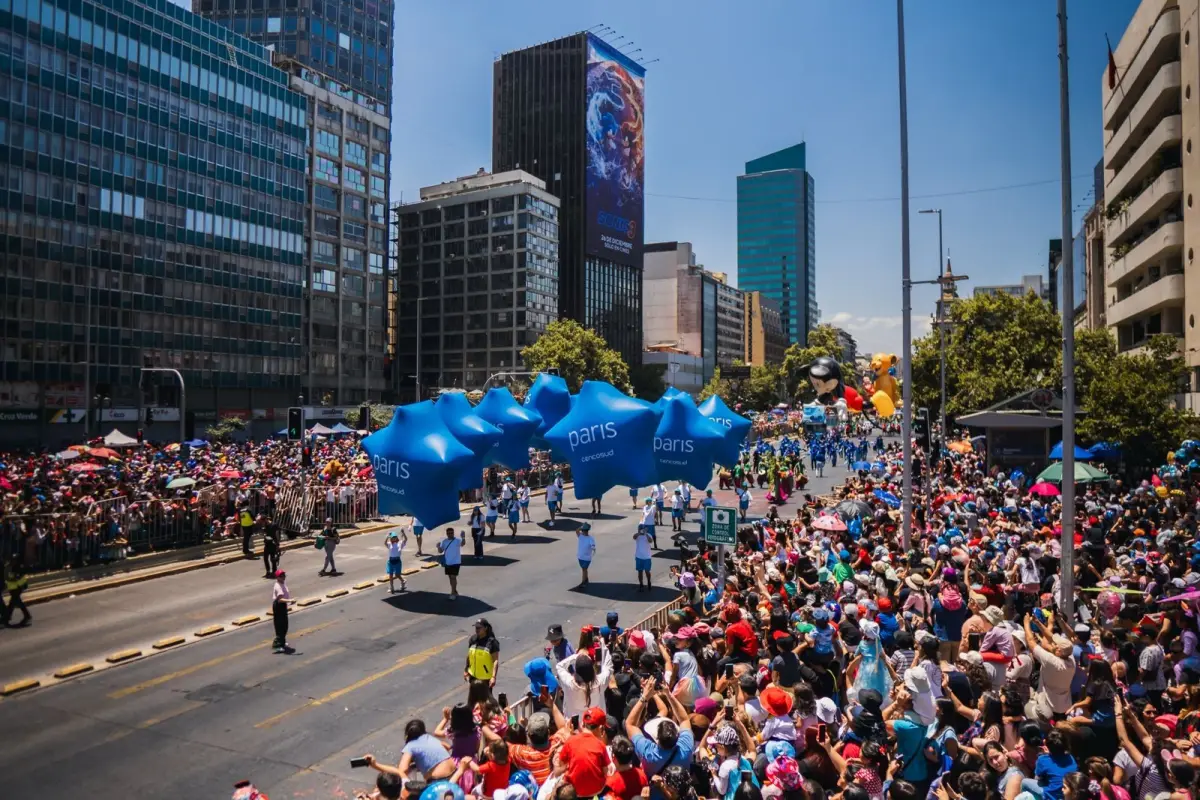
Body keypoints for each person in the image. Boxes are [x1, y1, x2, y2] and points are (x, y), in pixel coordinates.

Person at [557, 707, 612, 799]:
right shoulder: (600, 745)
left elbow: (561, 764)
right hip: (596, 790)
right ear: (601, 728)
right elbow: (606, 771)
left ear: (582, 724)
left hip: (574, 792)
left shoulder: (570, 741)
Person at [466, 617, 500, 692]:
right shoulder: (473, 639)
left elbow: (495, 661)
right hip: (473, 676)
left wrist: (493, 677)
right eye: (476, 627)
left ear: (485, 628)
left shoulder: (492, 643)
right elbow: (469, 655)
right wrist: (466, 670)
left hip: (485, 678)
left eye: (479, 628)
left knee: (485, 701)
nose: (476, 630)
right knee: (473, 700)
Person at [271, 569, 296, 653]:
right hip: (278, 606)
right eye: (281, 576)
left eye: (284, 575)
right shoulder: (278, 586)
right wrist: (290, 601)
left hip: (282, 605)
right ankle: (277, 645)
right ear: (277, 577)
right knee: (280, 626)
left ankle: (282, 642)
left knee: (285, 625)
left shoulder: (283, 583)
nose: (283, 577)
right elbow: (280, 599)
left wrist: (289, 602)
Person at [438, 527, 464, 600]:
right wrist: (438, 547)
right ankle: (454, 590)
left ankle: (452, 593)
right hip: (448, 562)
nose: (450, 534)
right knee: (450, 578)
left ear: (453, 533)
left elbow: (463, 544)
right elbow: (440, 551)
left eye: (451, 533)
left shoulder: (457, 540)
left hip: (456, 562)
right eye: (449, 533)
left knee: (453, 577)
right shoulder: (444, 541)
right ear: (446, 534)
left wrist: (463, 537)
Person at [3, 562, 31, 628]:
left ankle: (27, 616)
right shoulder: (9, 565)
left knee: (15, 603)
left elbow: (12, 577)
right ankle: (7, 618)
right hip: (15, 587)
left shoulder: (10, 566)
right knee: (13, 603)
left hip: (16, 587)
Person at [633, 520, 655, 592]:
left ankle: (649, 581)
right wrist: (639, 533)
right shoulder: (638, 536)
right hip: (639, 556)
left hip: (647, 557)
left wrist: (645, 534)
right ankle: (641, 584)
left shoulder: (648, 535)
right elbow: (634, 537)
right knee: (640, 572)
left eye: (642, 529)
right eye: (640, 529)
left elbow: (650, 541)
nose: (641, 530)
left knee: (647, 571)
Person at [385, 530, 408, 594]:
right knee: (390, 575)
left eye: (395, 537)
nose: (394, 538)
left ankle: (403, 580)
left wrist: (403, 533)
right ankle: (392, 588)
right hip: (391, 561)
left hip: (397, 560)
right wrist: (387, 536)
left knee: (397, 575)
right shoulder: (389, 544)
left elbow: (406, 539)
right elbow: (385, 543)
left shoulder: (400, 543)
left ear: (396, 537)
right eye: (392, 537)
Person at [576, 522, 596, 586]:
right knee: (584, 569)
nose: (583, 532)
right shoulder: (580, 536)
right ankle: (586, 579)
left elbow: (593, 546)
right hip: (580, 557)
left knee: (584, 569)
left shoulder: (591, 538)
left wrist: (593, 548)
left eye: (584, 530)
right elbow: (576, 531)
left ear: (586, 531)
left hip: (587, 558)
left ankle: (583, 582)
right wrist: (582, 526)